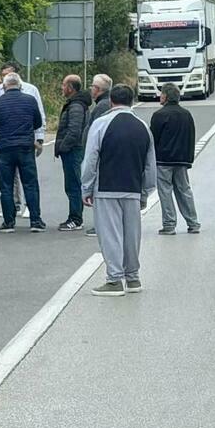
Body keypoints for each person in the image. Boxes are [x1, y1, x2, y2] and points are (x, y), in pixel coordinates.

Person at [82, 84, 157, 296]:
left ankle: (114, 279)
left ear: (111, 101)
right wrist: (145, 192)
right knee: (132, 235)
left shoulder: (101, 124)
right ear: (132, 101)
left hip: (106, 187)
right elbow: (150, 164)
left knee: (110, 234)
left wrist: (86, 187)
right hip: (133, 188)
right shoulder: (143, 127)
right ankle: (133, 277)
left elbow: (90, 159)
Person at [0, 72, 45, 232]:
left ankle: (9, 222)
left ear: (4, 87)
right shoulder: (29, 100)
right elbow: (37, 122)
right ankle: (35, 221)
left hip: (4, 148)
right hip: (26, 147)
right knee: (30, 184)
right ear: (19, 85)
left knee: (6, 186)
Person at [151, 83, 200, 235]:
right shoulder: (186, 114)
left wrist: (151, 159)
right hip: (182, 160)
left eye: (161, 94)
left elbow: (153, 138)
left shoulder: (159, 115)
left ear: (165, 96)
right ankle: (193, 223)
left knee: (165, 192)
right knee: (184, 190)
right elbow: (191, 136)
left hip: (163, 160)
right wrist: (189, 159)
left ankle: (169, 224)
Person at [55, 75, 92, 231]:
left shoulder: (76, 106)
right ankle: (75, 217)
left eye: (64, 85)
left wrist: (63, 146)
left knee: (73, 185)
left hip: (73, 150)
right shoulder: (75, 104)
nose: (62, 88)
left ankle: (75, 219)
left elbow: (74, 130)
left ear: (70, 87)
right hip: (73, 149)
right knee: (72, 184)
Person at [84, 74, 114, 237]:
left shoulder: (102, 106)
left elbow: (97, 130)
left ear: (98, 89)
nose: (90, 89)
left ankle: (100, 225)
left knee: (97, 191)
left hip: (99, 155)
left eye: (92, 87)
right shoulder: (103, 103)